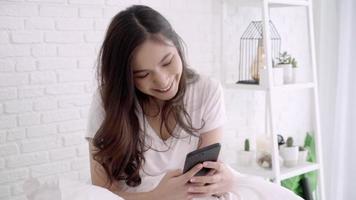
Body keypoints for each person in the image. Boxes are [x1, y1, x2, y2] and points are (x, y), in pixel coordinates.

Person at [85, 5, 303, 200]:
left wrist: (219, 180)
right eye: (142, 74)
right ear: (125, 77)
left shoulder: (206, 91)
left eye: (167, 61)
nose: (162, 81)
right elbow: (101, 192)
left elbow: (204, 174)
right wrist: (157, 197)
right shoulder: (107, 102)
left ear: (178, 48)